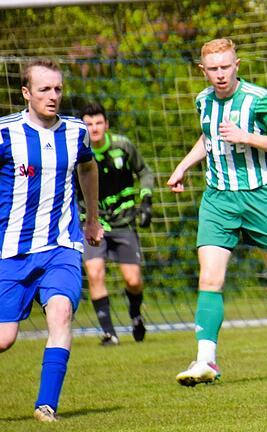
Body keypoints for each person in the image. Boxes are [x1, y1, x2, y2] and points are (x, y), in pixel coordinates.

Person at [167, 38, 267, 386]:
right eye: (213, 69)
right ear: (202, 70)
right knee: (209, 278)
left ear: (237, 65)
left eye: (226, 67)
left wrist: (247, 137)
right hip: (218, 199)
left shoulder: (259, 100)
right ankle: (205, 361)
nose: (220, 75)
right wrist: (183, 166)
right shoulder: (203, 101)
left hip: (259, 197)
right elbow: (208, 138)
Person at [0, 59, 103, 422]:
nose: (53, 96)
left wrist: (91, 218)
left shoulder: (76, 132)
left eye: (58, 89)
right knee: (5, 338)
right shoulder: (4, 133)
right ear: (26, 93)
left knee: (61, 313)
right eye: (44, 89)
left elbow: (88, 168)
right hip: (10, 251)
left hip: (62, 246)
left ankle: (46, 406)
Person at [80, 101, 153, 346]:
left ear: (106, 125)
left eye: (98, 123)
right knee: (95, 273)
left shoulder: (123, 146)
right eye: (88, 124)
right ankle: (109, 333)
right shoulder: (77, 152)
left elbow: (145, 172)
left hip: (123, 223)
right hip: (92, 224)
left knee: (133, 280)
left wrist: (146, 201)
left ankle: (135, 315)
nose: (94, 128)